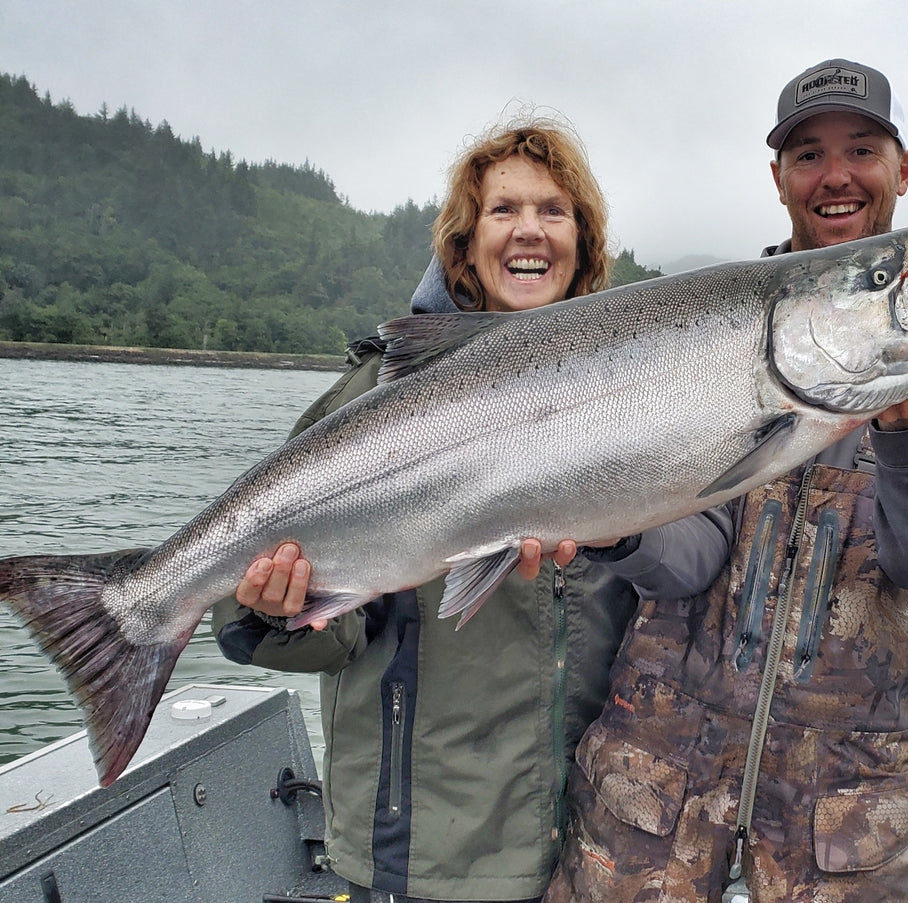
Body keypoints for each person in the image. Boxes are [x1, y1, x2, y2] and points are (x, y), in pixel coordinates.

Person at [543, 59, 908, 903]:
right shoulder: (697, 334)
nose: (835, 175)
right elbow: (689, 557)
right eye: (807, 154)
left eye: (862, 149)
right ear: (778, 178)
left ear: (903, 167)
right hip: (648, 803)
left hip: (843, 828)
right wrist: (616, 520)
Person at [211, 117, 644, 903]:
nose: (530, 231)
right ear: (464, 242)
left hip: (589, 849)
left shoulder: (638, 395)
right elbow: (307, 630)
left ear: (583, 241)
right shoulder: (377, 395)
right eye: (503, 209)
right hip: (420, 855)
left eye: (554, 211)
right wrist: (273, 613)